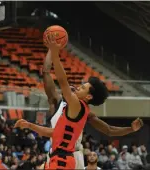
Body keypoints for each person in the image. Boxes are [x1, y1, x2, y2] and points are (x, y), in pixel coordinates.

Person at [15, 47, 143, 169]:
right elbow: (46, 71)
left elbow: (109, 130)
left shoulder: (81, 108)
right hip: (56, 152)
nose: (76, 87)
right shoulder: (58, 103)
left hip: (72, 154)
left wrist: (54, 51)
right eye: (76, 87)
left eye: (80, 88)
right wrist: (51, 50)